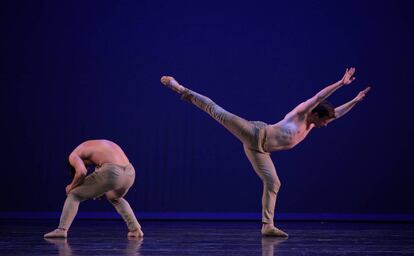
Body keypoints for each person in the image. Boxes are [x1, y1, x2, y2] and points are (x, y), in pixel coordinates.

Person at [160, 67, 370, 237]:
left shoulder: (312, 125)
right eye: (324, 119)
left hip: (260, 151)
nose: (326, 124)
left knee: (274, 183)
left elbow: (337, 114)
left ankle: (267, 226)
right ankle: (179, 88)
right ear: (316, 114)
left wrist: (354, 100)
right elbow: (318, 97)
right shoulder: (301, 113)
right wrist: (341, 84)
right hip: (254, 132)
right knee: (217, 111)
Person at [44, 139, 143, 238]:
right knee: (114, 198)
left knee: (74, 194)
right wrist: (99, 189)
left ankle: (62, 229)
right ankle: (135, 229)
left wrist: (71, 186)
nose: (88, 167)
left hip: (112, 172)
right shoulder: (97, 144)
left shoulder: (74, 155)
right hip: (130, 173)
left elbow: (81, 172)